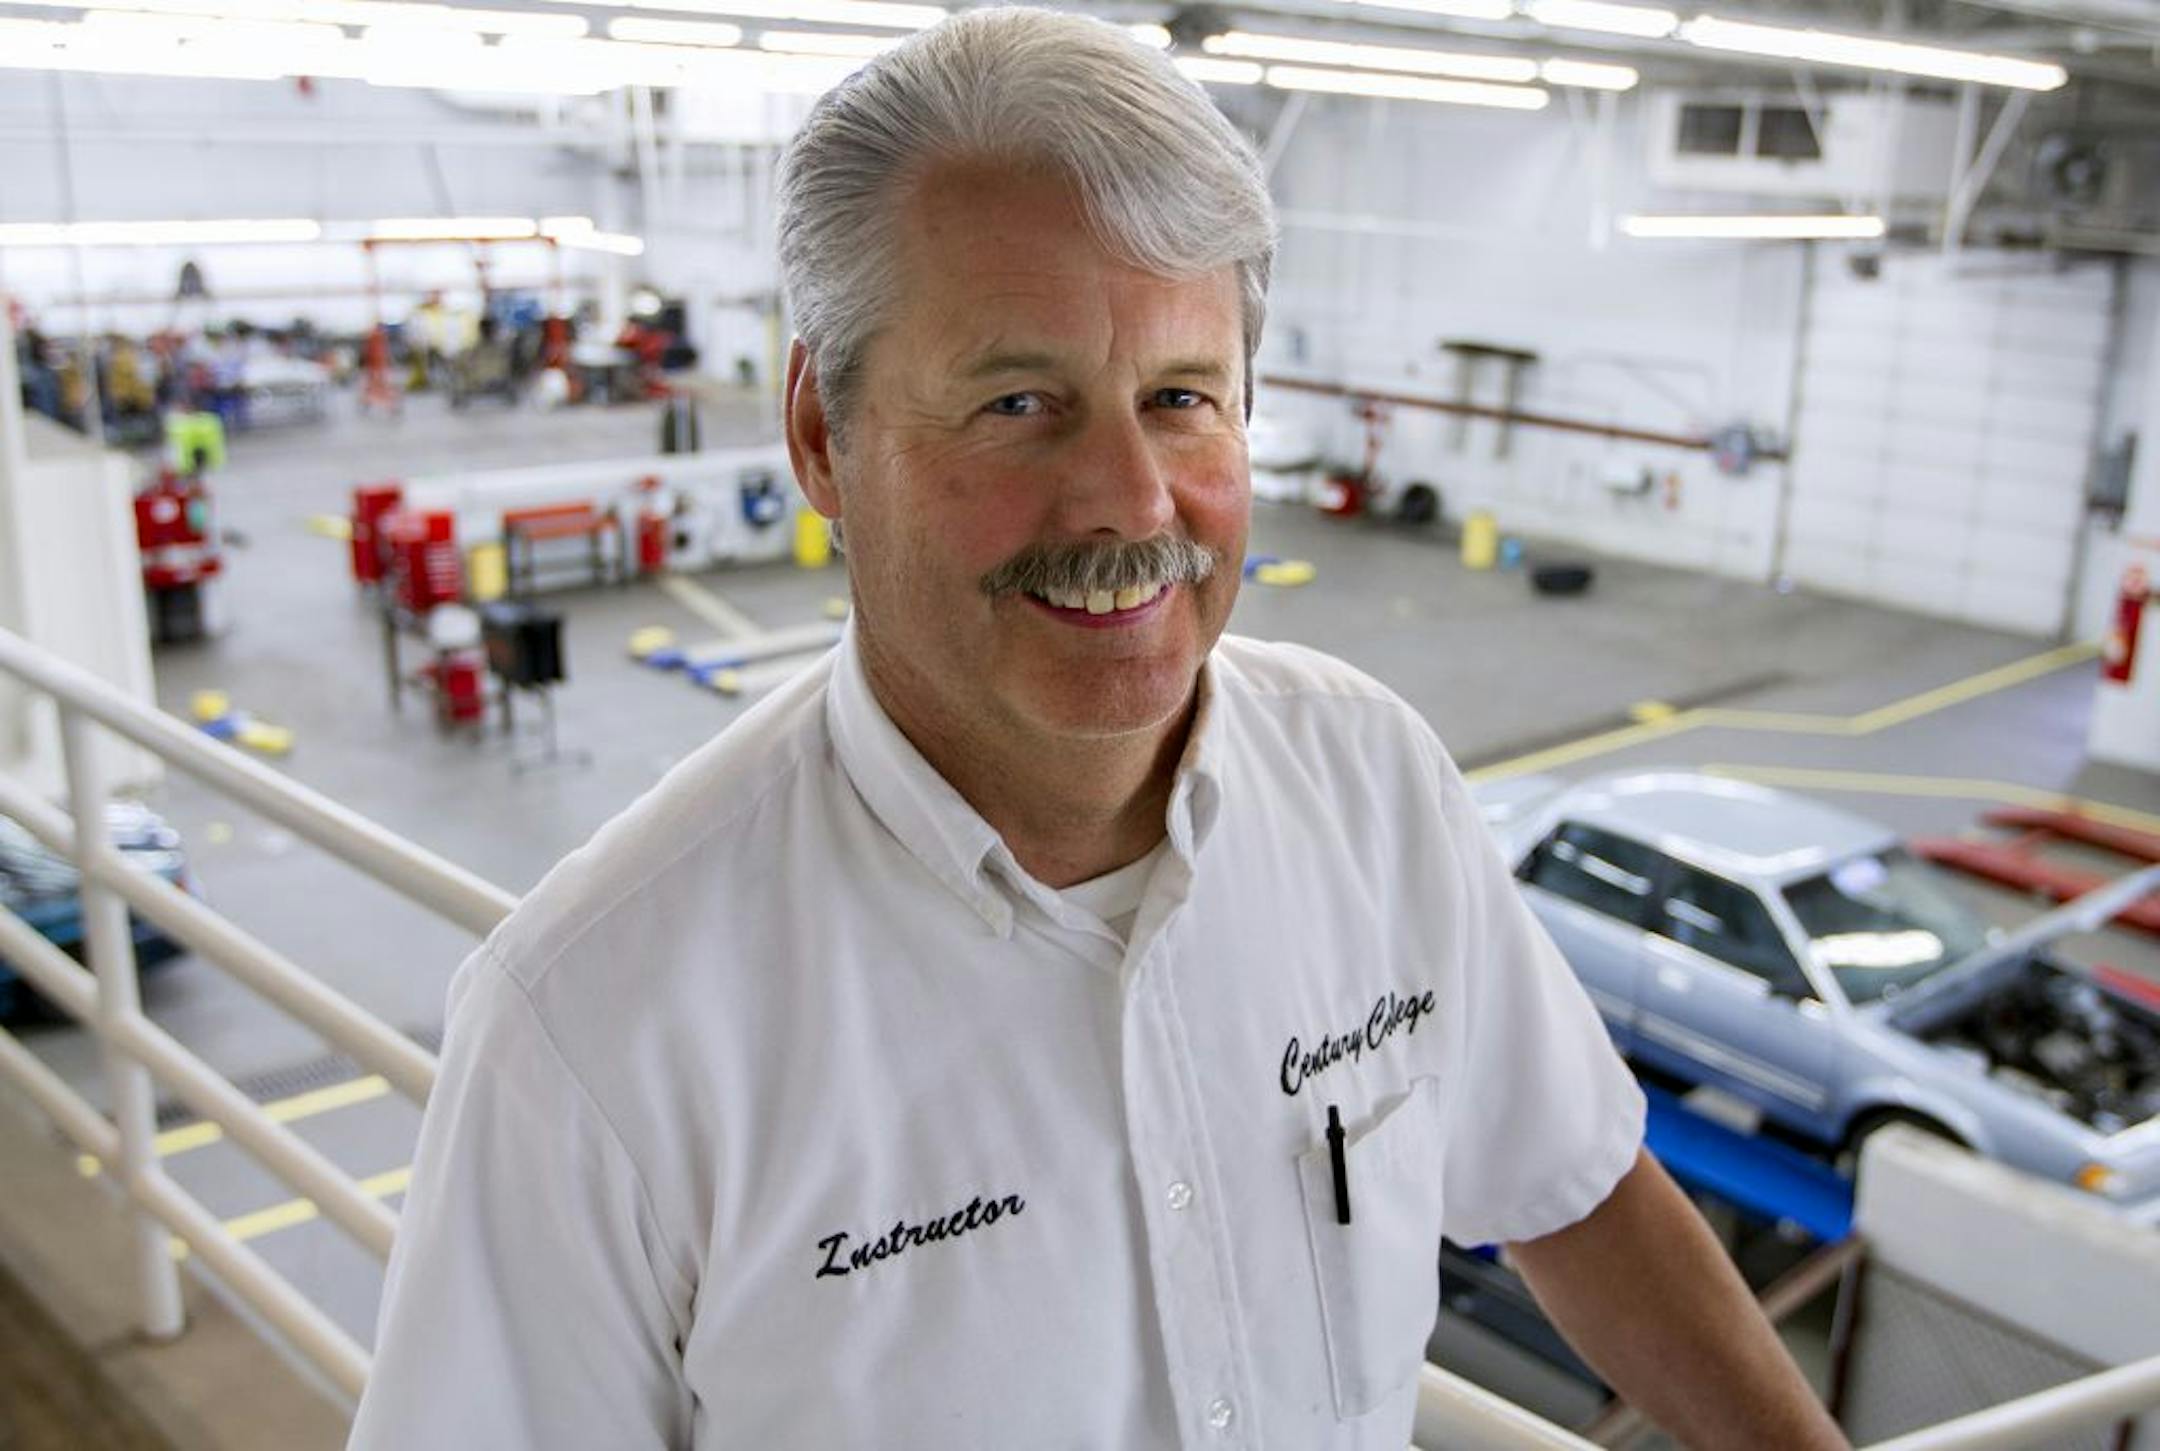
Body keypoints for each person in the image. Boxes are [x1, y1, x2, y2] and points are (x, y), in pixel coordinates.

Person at [350, 10, 1849, 1449]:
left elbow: (1573, 1188)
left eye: (1182, 397)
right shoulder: (596, 1031)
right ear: (821, 433)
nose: (1133, 505)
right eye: (1018, 403)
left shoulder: (1372, 784)